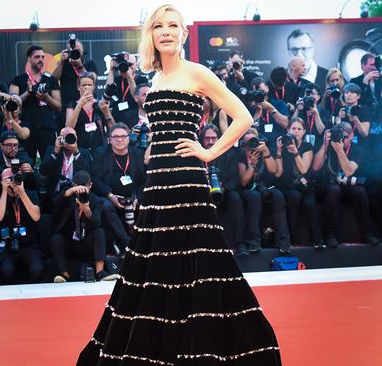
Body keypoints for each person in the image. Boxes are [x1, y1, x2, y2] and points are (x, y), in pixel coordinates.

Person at [76, 5, 281, 365]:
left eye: (173, 26)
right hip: (157, 184)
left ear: (184, 33)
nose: (166, 31)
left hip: (187, 180)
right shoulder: (153, 79)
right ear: (151, 35)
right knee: (155, 264)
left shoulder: (197, 73)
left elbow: (243, 116)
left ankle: (207, 345)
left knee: (199, 260)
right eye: (159, 26)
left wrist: (208, 152)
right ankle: (161, 347)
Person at [312, 122, 378, 247]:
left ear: (352, 135)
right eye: (339, 136)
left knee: (360, 192)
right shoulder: (327, 145)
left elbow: (348, 171)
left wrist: (339, 150)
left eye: (345, 137)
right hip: (327, 185)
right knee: (334, 190)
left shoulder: (358, 149)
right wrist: (326, 145)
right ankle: (330, 234)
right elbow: (315, 167)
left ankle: (366, 234)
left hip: (347, 184)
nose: (341, 139)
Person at [50, 170, 116, 283]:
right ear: (73, 185)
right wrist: (68, 192)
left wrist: (87, 210)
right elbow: (51, 204)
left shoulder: (96, 200)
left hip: (87, 242)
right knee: (56, 238)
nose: (81, 191)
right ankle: (64, 275)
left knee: (99, 232)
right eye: (77, 187)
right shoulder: (67, 197)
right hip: (69, 241)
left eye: (84, 187)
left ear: (90, 185)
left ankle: (100, 272)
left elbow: (97, 223)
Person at [91, 123, 145, 255]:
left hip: (133, 197)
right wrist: (110, 195)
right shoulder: (101, 153)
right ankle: (127, 242)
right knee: (105, 205)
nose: (119, 140)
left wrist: (136, 198)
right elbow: (96, 180)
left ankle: (145, 244)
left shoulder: (138, 154)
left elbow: (144, 180)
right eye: (115, 137)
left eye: (122, 136)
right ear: (109, 139)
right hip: (110, 196)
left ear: (128, 138)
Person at [237, 128, 290, 254]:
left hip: (262, 187)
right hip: (246, 190)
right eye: (249, 141)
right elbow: (243, 181)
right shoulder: (240, 154)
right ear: (244, 143)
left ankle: (284, 242)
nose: (252, 145)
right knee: (254, 197)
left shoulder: (263, 152)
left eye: (254, 140)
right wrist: (252, 165)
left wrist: (266, 152)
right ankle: (254, 242)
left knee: (278, 196)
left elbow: (273, 171)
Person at [274, 118, 323, 248]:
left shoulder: (307, 146)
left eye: (299, 129)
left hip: (304, 186)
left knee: (310, 203)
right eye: (293, 128)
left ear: (304, 132)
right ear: (288, 130)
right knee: (294, 197)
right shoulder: (282, 145)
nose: (296, 131)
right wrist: (279, 151)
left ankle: (318, 240)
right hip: (287, 186)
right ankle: (291, 238)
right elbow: (278, 173)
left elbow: (303, 169)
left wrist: (295, 151)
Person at [9, 45, 62, 160]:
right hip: (27, 128)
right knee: (26, 164)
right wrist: (28, 92)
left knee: (49, 165)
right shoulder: (18, 79)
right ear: (29, 59)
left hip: (47, 127)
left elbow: (58, 106)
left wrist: (46, 98)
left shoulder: (50, 80)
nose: (41, 60)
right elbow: (12, 104)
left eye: (42, 57)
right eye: (37, 57)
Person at [0, 168, 43, 285]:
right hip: (7, 246)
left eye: (14, 178)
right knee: (6, 270)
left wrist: (22, 192)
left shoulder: (30, 194)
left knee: (37, 269)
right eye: (8, 179)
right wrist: (5, 191)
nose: (12, 182)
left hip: (28, 245)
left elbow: (36, 216)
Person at [199, 124, 244, 253]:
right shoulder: (198, 154)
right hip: (203, 191)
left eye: (214, 138)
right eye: (207, 138)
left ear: (219, 139)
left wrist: (222, 188)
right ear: (202, 139)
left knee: (235, 197)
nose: (210, 142)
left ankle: (240, 243)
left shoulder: (229, 153)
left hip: (225, 191)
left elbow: (235, 180)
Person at [39, 127, 93, 212]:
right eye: (65, 137)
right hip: (56, 194)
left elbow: (88, 173)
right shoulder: (52, 150)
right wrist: (55, 152)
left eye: (71, 136)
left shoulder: (83, 153)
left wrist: (76, 153)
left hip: (77, 193)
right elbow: (42, 171)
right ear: (60, 138)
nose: (69, 139)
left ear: (76, 138)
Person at [65, 72, 113, 153]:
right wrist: (80, 104)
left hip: (100, 148)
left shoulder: (99, 104)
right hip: (80, 149)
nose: (86, 87)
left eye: (89, 85)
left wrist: (106, 112)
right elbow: (69, 127)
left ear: (93, 87)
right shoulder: (72, 105)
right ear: (78, 87)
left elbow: (112, 127)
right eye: (84, 85)